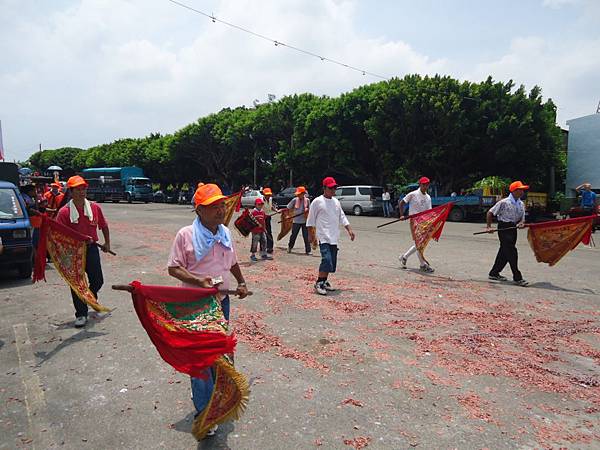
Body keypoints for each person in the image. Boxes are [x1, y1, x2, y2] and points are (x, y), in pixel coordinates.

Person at [167, 183, 248, 438]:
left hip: (221, 303)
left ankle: (215, 401)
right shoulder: (185, 235)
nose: (220, 210)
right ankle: (203, 413)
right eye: (214, 206)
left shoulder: (224, 232)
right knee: (201, 359)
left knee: (218, 355)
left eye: (222, 205)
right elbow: (174, 267)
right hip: (194, 305)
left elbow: (232, 261)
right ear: (199, 209)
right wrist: (197, 281)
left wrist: (241, 282)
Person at [56, 176, 111, 327]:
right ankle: (81, 313)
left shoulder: (94, 207)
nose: (82, 192)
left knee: (98, 280)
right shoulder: (64, 212)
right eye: (78, 189)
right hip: (73, 252)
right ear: (71, 192)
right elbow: (58, 235)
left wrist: (107, 242)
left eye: (84, 189)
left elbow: (104, 226)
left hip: (91, 249)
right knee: (77, 283)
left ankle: (89, 298)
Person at [306, 177, 355, 295]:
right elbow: (310, 219)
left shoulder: (336, 202)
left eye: (334, 188)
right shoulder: (317, 201)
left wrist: (349, 229)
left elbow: (342, 216)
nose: (333, 190)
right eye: (331, 188)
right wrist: (310, 235)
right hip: (323, 236)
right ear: (324, 188)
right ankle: (319, 283)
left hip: (334, 236)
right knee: (326, 260)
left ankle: (324, 280)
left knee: (332, 262)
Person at [486, 180, 529, 287]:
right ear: (514, 190)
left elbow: (522, 219)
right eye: (520, 190)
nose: (522, 192)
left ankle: (494, 273)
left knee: (504, 252)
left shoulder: (521, 204)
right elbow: (490, 213)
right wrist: (489, 227)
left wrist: (521, 223)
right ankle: (517, 277)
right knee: (512, 252)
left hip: (513, 229)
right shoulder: (504, 202)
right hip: (504, 228)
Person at [397, 176, 435, 273]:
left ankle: (404, 257)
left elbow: (429, 212)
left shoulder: (428, 197)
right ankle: (422, 265)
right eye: (423, 185)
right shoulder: (413, 194)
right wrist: (401, 215)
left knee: (419, 243)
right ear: (420, 185)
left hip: (424, 223)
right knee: (419, 243)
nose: (425, 186)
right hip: (414, 222)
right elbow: (401, 203)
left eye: (427, 185)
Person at [286, 186, 311, 255]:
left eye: (300, 194)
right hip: (296, 221)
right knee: (294, 235)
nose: (299, 195)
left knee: (306, 236)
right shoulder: (294, 200)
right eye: (298, 194)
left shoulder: (307, 200)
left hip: (305, 221)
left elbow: (310, 209)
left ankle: (308, 250)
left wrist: (307, 210)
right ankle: (290, 247)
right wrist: (288, 215)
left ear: (303, 193)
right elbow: (288, 208)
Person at [261, 187, 278, 254]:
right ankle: (262, 247)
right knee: (262, 233)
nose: (268, 196)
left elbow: (271, 207)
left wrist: (276, 210)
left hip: (268, 217)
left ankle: (270, 248)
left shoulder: (270, 199)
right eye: (267, 195)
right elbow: (259, 209)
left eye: (269, 195)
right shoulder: (261, 200)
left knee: (269, 232)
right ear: (264, 194)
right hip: (262, 218)